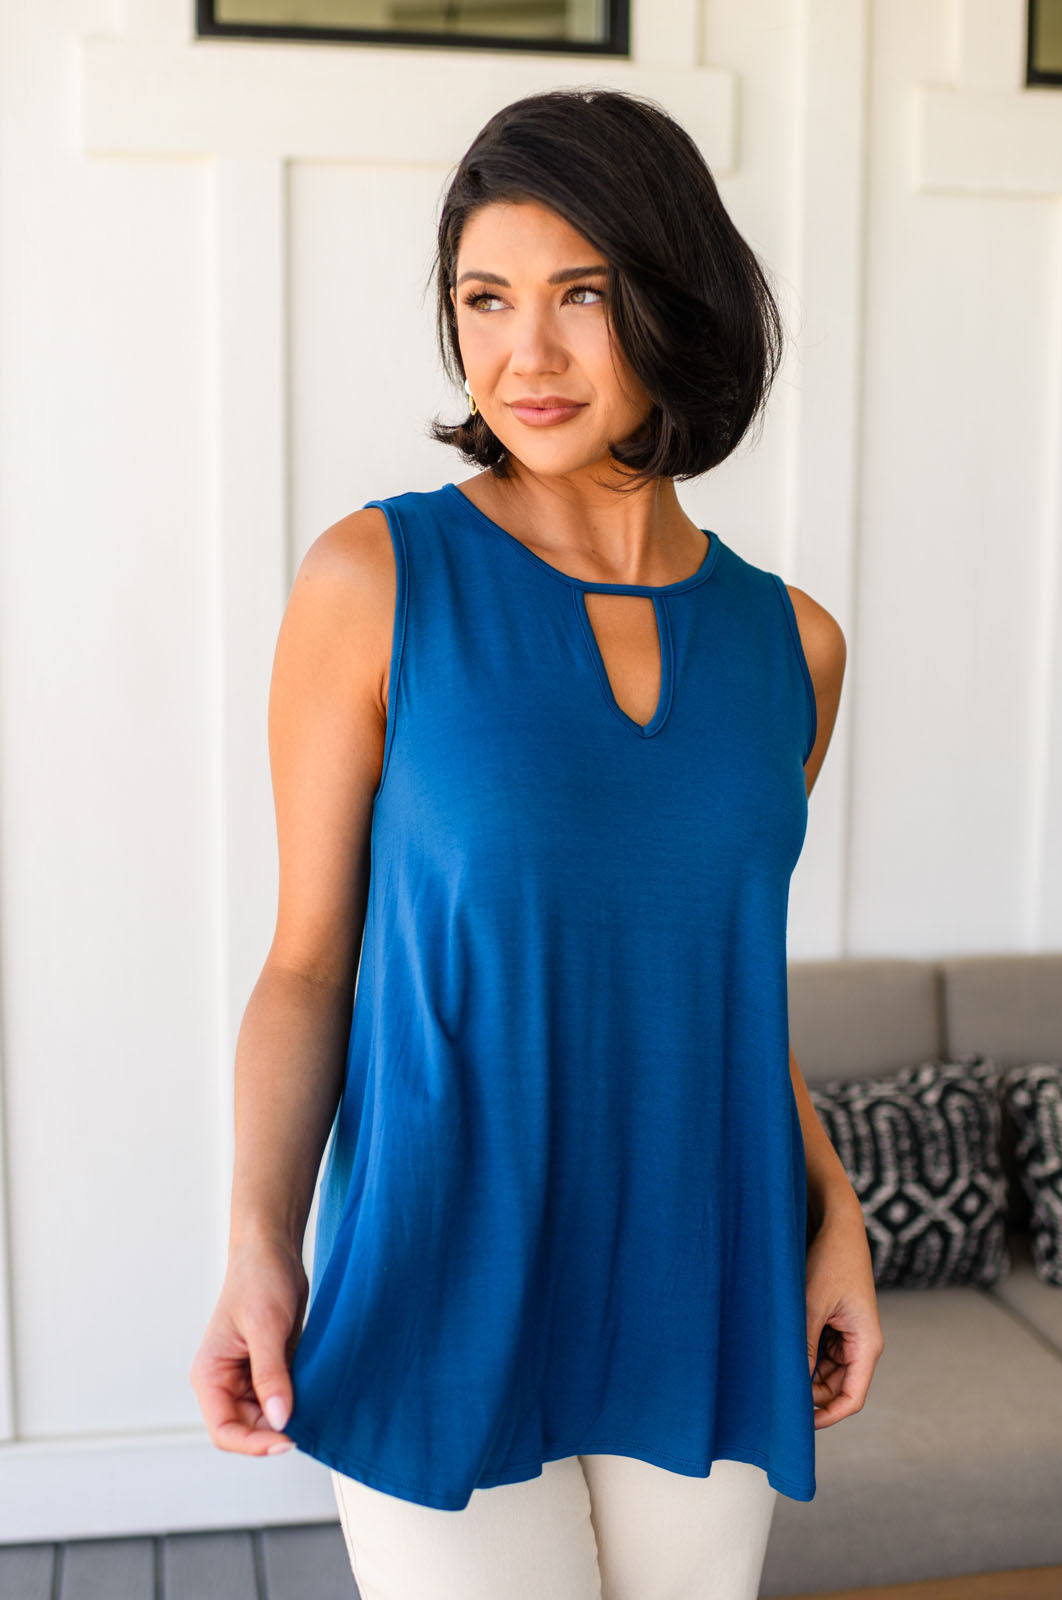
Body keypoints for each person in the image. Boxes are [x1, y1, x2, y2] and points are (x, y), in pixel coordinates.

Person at [189, 86, 884, 1600]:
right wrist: (259, 1243)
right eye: (485, 300)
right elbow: (311, 966)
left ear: (674, 297)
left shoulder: (795, 649)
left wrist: (836, 1215)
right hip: (440, 1267)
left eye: (583, 295)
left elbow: (711, 988)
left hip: (704, 1271)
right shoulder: (377, 581)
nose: (528, 354)